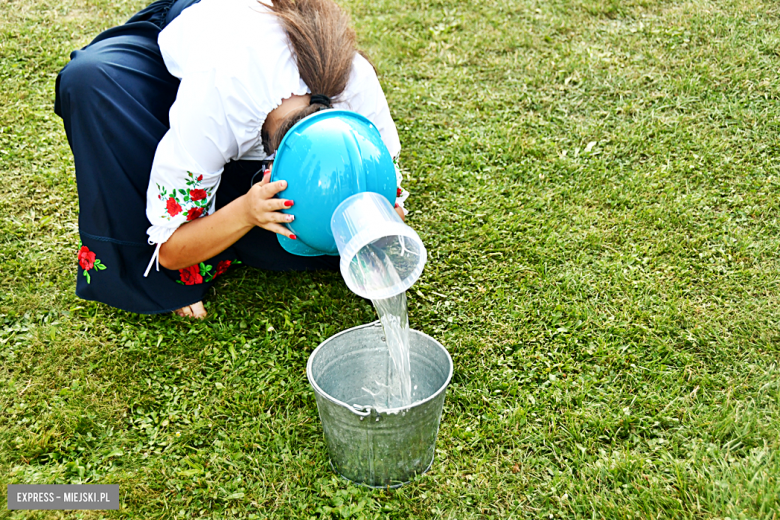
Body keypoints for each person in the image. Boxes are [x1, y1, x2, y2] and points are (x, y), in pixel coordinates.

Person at [55, 0, 408, 318]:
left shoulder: (357, 88)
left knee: (285, 249)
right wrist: (245, 212)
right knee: (89, 80)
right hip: (192, 24)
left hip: (250, 43)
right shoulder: (215, 102)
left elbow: (391, 208)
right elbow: (172, 252)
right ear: (270, 165)